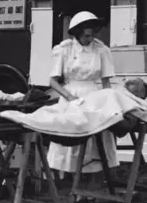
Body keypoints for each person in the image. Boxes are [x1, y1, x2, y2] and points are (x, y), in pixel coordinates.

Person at [48, 11, 118, 175]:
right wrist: (69, 97)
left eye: (92, 35)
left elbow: (106, 81)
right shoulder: (64, 49)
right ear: (78, 34)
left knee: (95, 138)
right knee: (71, 135)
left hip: (94, 95)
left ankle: (93, 177)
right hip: (70, 94)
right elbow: (52, 81)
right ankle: (69, 177)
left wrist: (109, 101)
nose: (89, 39)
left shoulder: (101, 50)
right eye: (86, 36)